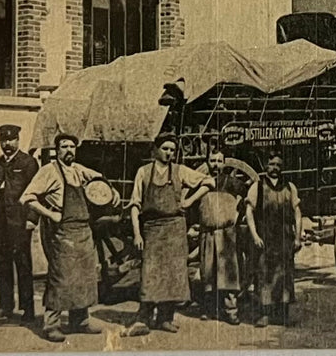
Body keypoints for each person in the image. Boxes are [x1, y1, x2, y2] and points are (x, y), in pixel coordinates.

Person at [123, 134, 212, 337]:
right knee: (150, 273)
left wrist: (189, 201)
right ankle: (143, 318)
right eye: (165, 148)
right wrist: (137, 234)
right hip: (152, 228)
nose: (169, 153)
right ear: (155, 149)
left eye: (172, 149)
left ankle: (165, 318)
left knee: (173, 274)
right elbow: (135, 205)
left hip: (175, 228)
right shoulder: (143, 172)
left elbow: (209, 181)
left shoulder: (180, 171)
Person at [21, 133, 103, 342]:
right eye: (64, 147)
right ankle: (51, 325)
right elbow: (28, 197)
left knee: (83, 277)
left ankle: (80, 320)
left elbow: (100, 181)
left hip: (83, 231)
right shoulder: (49, 171)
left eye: (72, 147)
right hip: (62, 232)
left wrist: (105, 191)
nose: (69, 150)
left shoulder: (78, 170)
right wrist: (51, 214)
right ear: (57, 150)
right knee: (60, 278)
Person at [0, 124, 39, 327]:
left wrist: (32, 218)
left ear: (18, 140)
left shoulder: (28, 163)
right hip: (1, 224)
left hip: (20, 222)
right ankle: (6, 307)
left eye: (11, 140)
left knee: (23, 265)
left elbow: (36, 191)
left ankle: (28, 309)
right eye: (3, 140)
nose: (7, 144)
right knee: (1, 265)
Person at [245, 152, 302, 327]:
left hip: (284, 238)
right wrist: (255, 235)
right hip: (265, 238)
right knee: (264, 276)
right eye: (272, 164)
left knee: (285, 276)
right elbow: (249, 212)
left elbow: (297, 214)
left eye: (278, 164)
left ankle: (283, 315)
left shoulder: (290, 187)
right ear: (266, 166)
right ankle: (264, 315)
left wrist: (298, 237)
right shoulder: (257, 187)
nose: (275, 168)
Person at [197, 149, 245, 325]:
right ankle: (208, 309)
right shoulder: (200, 182)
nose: (216, 164)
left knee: (228, 273)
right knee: (208, 272)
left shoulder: (232, 182)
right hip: (207, 233)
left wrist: (236, 214)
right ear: (208, 162)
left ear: (224, 163)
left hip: (227, 233)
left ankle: (231, 310)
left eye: (219, 160)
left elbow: (247, 197)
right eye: (212, 160)